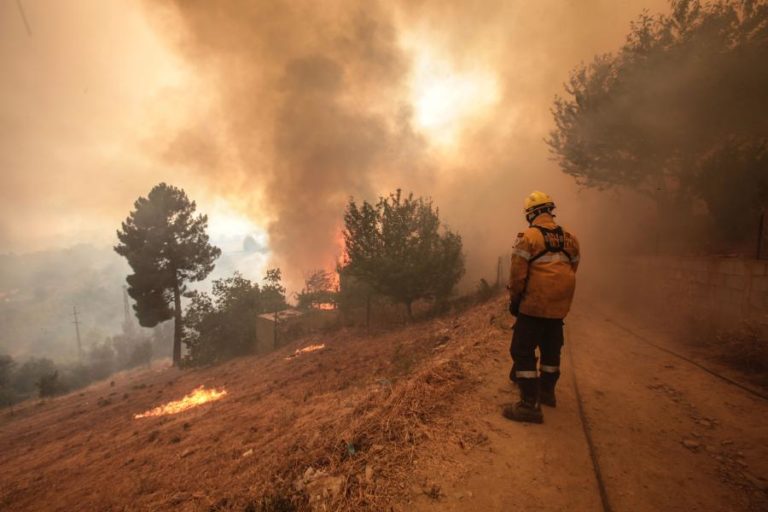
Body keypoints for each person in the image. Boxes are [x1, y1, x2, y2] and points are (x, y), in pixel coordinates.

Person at [503, 191, 580, 423]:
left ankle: (529, 405)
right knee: (550, 350)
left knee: (522, 350)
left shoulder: (528, 237)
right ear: (549, 210)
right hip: (559, 308)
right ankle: (547, 393)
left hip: (534, 305)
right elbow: (573, 268)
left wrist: (516, 302)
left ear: (532, 213)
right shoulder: (571, 238)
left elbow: (517, 276)